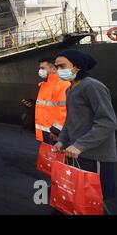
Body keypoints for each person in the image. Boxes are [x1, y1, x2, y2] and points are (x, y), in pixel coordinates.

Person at [53, 49, 117, 203]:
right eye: (57, 67)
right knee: (78, 201)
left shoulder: (93, 86)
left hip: (96, 158)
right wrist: (62, 140)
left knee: (95, 202)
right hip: (76, 154)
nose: (58, 71)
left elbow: (108, 121)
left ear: (76, 67)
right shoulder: (70, 90)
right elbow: (70, 120)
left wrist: (80, 145)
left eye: (62, 66)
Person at [34, 57, 71, 144]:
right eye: (40, 68)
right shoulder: (44, 85)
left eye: (43, 68)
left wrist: (56, 130)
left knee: (58, 157)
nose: (40, 71)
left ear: (54, 69)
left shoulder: (62, 85)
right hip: (44, 134)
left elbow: (65, 110)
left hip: (54, 135)